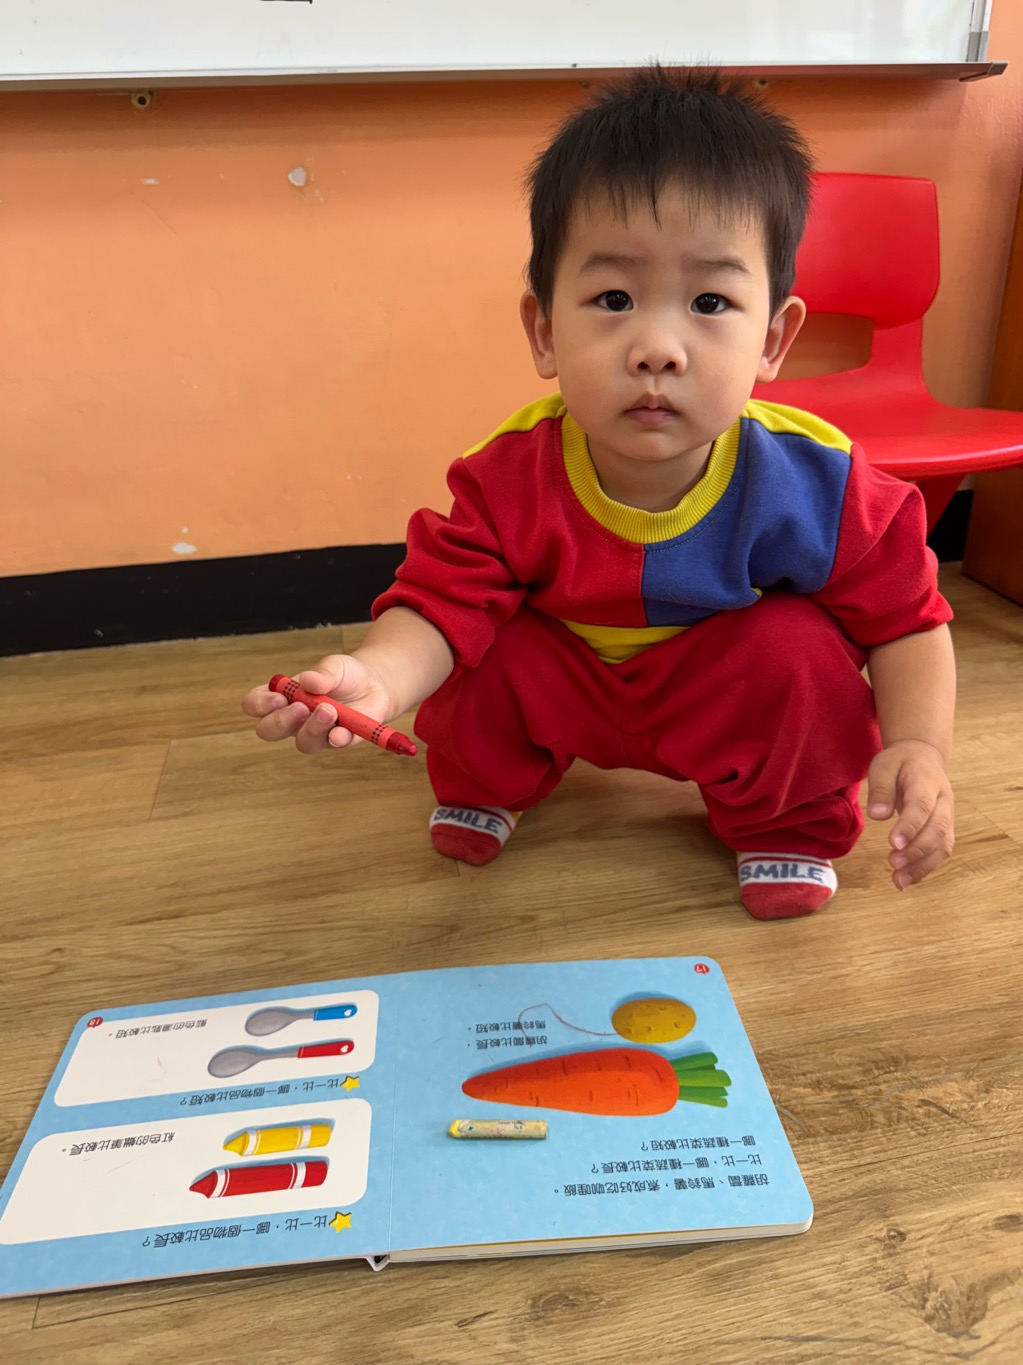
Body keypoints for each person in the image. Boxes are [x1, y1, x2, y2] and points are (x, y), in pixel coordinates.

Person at [243, 67, 955, 920]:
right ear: (545, 330)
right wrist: (375, 677)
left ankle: (784, 822)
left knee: (797, 650)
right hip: (569, 682)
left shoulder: (819, 480)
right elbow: (437, 605)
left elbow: (906, 620)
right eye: (613, 298)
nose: (657, 347)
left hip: (714, 685)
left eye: (709, 301)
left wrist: (918, 743)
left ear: (772, 339)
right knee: (485, 642)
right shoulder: (506, 472)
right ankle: (488, 782)